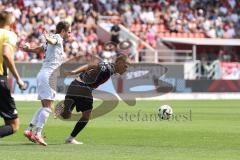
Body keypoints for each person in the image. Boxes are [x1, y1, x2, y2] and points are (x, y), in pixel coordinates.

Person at [22, 21, 71, 146]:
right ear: (63, 31)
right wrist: (48, 37)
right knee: (48, 107)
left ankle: (29, 130)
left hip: (43, 75)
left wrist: (28, 49)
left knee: (45, 106)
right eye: (69, 32)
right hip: (49, 76)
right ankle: (38, 134)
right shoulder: (57, 38)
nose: (70, 34)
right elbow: (52, 41)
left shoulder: (54, 40)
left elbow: (39, 49)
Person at [61, 55, 128, 144]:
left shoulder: (108, 67)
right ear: (119, 63)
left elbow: (89, 66)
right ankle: (70, 138)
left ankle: (61, 109)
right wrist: (75, 74)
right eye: (125, 65)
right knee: (86, 115)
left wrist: (74, 72)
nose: (126, 68)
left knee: (66, 115)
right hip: (83, 89)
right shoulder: (108, 69)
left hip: (74, 85)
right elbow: (90, 67)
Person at [0, 11, 26, 138]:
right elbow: (5, 54)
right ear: (10, 22)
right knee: (14, 125)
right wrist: (18, 79)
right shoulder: (9, 35)